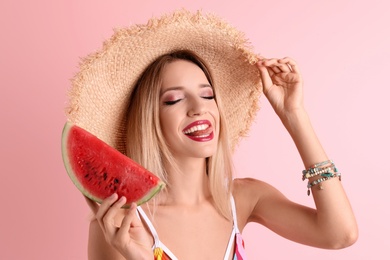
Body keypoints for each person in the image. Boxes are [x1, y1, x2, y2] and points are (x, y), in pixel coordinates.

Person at [66, 10, 358, 260]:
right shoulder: (121, 225)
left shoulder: (244, 198)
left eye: (207, 95)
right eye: (174, 100)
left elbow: (340, 234)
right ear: (148, 120)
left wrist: (295, 116)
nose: (199, 109)